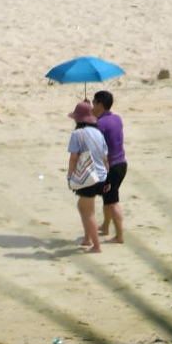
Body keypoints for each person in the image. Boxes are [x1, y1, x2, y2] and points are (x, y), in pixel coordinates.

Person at [66, 101, 109, 254]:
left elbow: (73, 158)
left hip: (88, 177)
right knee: (83, 206)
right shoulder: (98, 133)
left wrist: (70, 177)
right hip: (101, 176)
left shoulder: (77, 134)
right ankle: (87, 238)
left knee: (88, 212)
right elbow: (105, 157)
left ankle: (96, 245)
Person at [92, 90, 127, 243]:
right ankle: (105, 226)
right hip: (122, 164)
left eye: (94, 103)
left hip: (111, 167)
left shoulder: (100, 124)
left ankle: (119, 236)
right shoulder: (117, 118)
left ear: (100, 104)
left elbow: (95, 143)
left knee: (112, 201)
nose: (92, 105)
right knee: (107, 197)